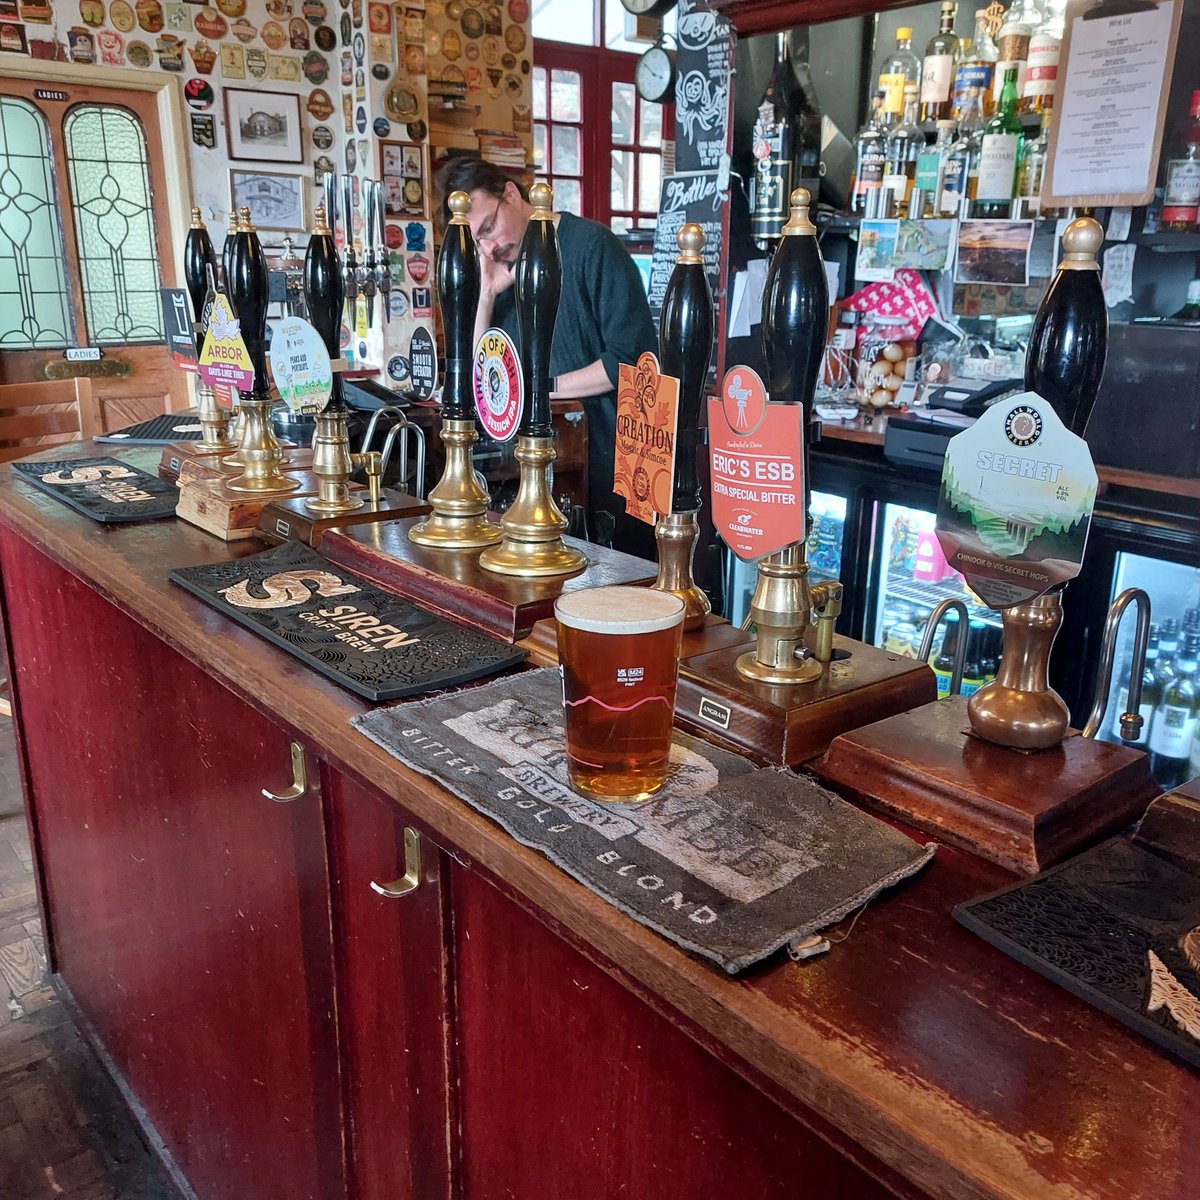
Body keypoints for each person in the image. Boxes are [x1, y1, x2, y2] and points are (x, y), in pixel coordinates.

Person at [436, 158, 658, 560]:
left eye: (488, 228)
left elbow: (630, 361)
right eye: (477, 242)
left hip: (610, 467)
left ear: (510, 193)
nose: (488, 248)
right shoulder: (498, 271)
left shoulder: (592, 247)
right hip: (529, 472)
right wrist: (486, 295)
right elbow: (480, 379)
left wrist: (536, 390)